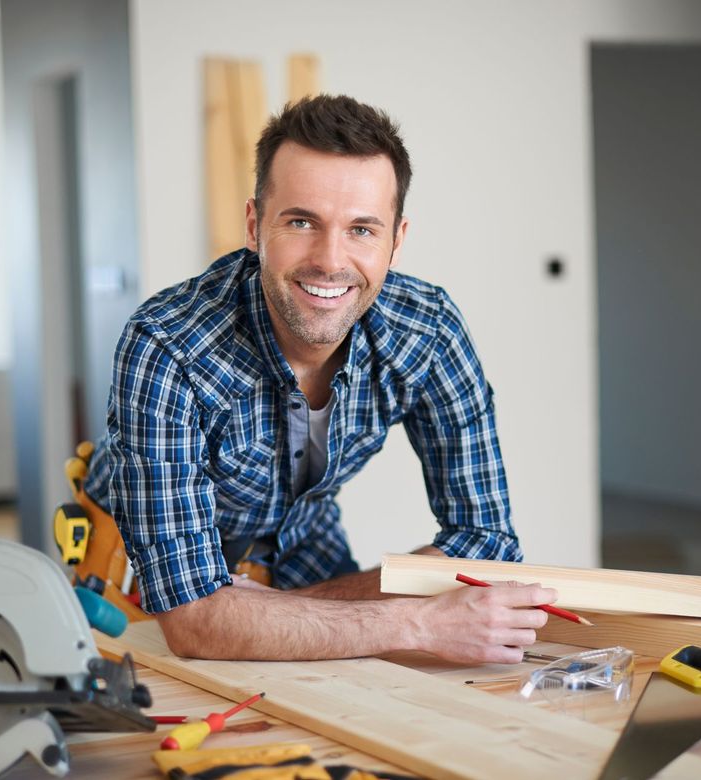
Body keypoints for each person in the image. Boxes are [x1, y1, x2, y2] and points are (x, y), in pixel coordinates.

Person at [84, 94, 557, 662]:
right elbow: (192, 620)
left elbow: (488, 546)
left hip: (301, 539)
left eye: (362, 229)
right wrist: (414, 623)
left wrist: (280, 614)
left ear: (396, 240)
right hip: (131, 558)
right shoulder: (167, 344)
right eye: (302, 221)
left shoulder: (426, 330)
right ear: (256, 224)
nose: (330, 260)